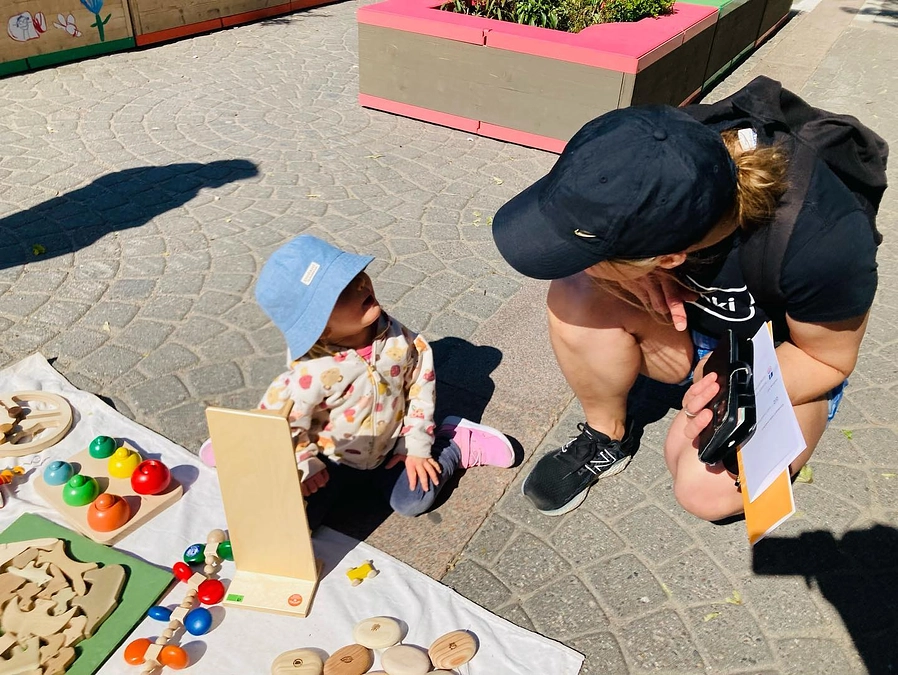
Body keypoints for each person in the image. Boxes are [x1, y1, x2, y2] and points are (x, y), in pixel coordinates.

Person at [491, 81, 885, 521]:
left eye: (594, 254)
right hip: (690, 328)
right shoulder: (651, 146)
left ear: (671, 256)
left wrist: (726, 387)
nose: (577, 261)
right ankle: (607, 434)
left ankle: (739, 412)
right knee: (576, 292)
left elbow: (828, 360)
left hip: (782, 357)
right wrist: (631, 279)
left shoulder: (824, 241)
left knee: (703, 491)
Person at [253, 234, 515, 529]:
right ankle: (239, 450)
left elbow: (421, 392)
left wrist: (416, 447)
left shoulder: (401, 340)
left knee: (414, 499)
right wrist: (304, 462)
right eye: (342, 291)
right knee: (296, 522)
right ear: (319, 328)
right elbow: (278, 423)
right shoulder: (308, 372)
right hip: (329, 460)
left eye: (356, 275)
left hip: (392, 449)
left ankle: (454, 442)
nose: (361, 285)